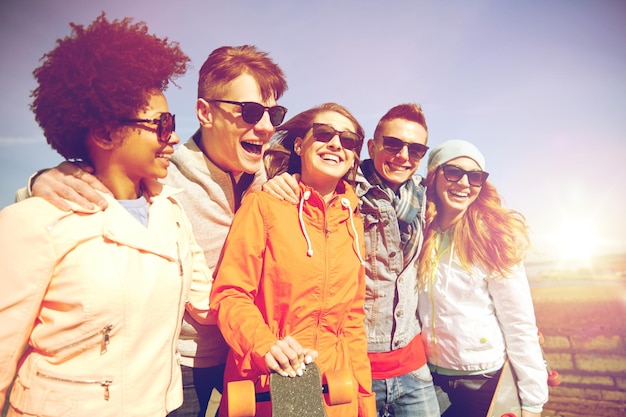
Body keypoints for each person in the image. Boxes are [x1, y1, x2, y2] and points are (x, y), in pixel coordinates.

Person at [15, 45, 289, 417]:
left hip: (240, 353)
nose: (267, 126)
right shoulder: (160, 175)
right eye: (252, 111)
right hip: (174, 365)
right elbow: (90, 189)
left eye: (275, 113)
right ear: (204, 112)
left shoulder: (268, 180)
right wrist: (40, 180)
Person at [0, 14, 215, 417]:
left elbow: (208, 303)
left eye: (172, 124)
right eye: (160, 124)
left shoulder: (170, 212)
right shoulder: (34, 222)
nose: (172, 138)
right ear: (103, 133)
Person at [262, 103, 440, 417]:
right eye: (393, 144)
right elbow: (310, 175)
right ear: (371, 147)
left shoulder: (422, 198)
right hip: (355, 363)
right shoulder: (345, 192)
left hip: (412, 367)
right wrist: (271, 178)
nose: (403, 156)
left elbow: (465, 191)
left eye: (416, 150)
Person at [211, 103, 376, 417]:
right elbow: (230, 294)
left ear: (354, 155)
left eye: (348, 140)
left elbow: (352, 322)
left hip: (334, 394)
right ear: (300, 144)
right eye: (324, 133)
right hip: (267, 388)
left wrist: (365, 405)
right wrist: (265, 345)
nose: (336, 144)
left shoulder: (352, 219)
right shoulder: (264, 205)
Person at [416, 139, 549, 417]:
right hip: (429, 379)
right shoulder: (418, 231)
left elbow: (519, 323)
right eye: (453, 172)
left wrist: (532, 402)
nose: (464, 183)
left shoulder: (493, 238)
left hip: (484, 382)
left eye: (474, 176)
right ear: (434, 176)